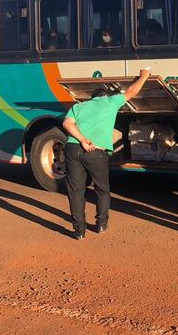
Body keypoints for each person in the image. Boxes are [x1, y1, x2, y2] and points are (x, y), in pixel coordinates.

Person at [62, 69, 151, 239]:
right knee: (101, 188)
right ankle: (101, 224)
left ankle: (79, 231)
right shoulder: (111, 102)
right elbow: (132, 91)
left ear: (92, 98)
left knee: (75, 191)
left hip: (73, 148)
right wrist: (144, 76)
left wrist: (82, 139)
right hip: (96, 151)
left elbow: (67, 123)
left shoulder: (78, 106)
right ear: (104, 96)